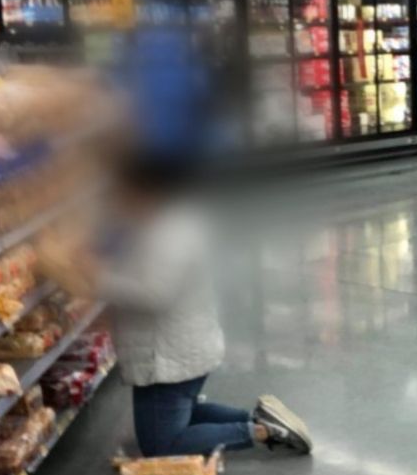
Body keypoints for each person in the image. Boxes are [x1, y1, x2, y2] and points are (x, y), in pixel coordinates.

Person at [78, 156, 312, 457]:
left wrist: (93, 280)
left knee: (161, 445)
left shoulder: (169, 233)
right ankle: (257, 419)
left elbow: (153, 293)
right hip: (179, 349)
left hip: (170, 357)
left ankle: (261, 431)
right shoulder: (164, 221)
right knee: (173, 417)